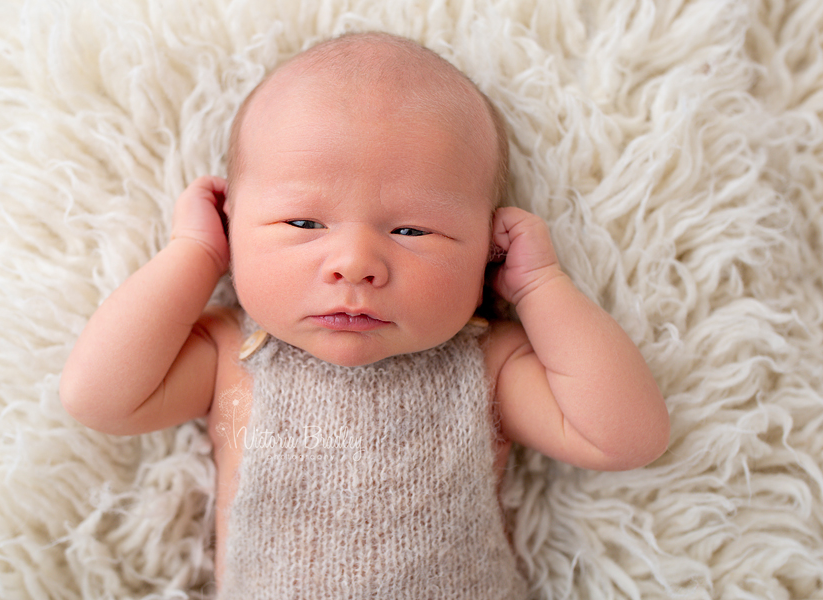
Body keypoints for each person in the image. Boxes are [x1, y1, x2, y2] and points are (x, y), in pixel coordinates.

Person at [60, 31, 670, 598]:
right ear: (231, 225)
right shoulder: (234, 356)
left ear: (488, 247)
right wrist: (193, 257)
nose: (355, 263)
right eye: (303, 223)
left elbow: (626, 436)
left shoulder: (485, 364)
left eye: (411, 229)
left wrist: (540, 286)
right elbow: (99, 397)